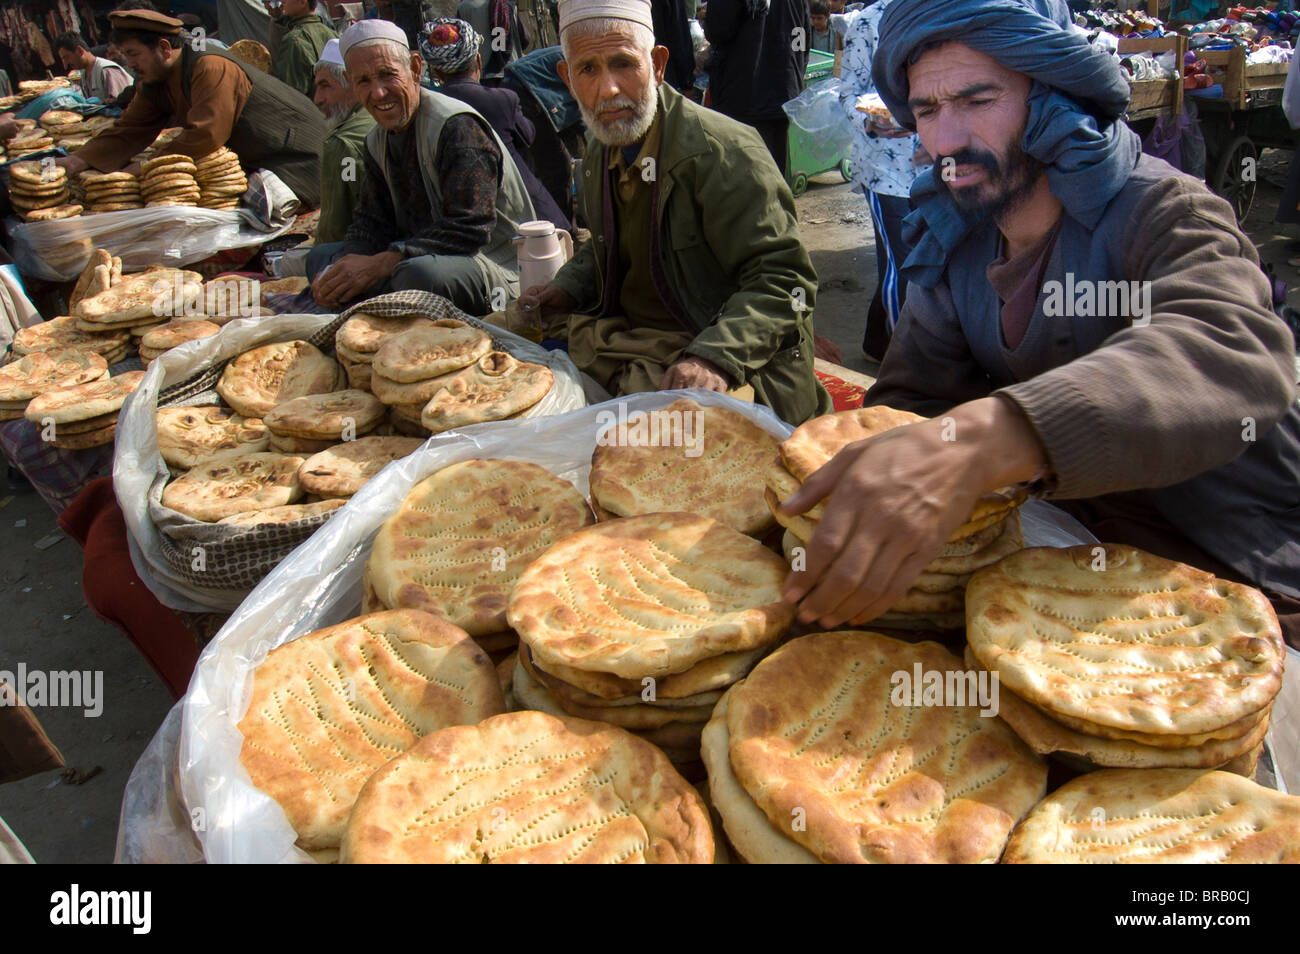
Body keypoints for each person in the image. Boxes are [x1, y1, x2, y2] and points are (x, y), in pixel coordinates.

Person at [780, 0, 1300, 650]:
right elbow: (911, 404)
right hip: (1057, 577)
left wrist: (990, 436)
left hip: (1235, 573)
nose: (944, 142)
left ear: (1050, 97)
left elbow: (1233, 352)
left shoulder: (1164, 211)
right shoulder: (955, 238)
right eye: (929, 110)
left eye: (977, 100)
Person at [517, 0, 831, 425]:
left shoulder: (722, 152)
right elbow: (610, 244)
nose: (608, 89)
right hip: (632, 338)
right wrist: (567, 287)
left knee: (650, 438)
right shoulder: (598, 150)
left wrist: (715, 357)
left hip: (719, 350)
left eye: (624, 63)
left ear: (658, 64)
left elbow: (785, 279)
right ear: (567, 80)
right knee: (510, 345)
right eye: (587, 69)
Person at [308, 19, 536, 312]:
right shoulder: (377, 139)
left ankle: (386, 299)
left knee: (418, 276)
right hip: (416, 253)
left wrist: (381, 263)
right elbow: (371, 220)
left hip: (491, 262)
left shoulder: (456, 127)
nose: (378, 93)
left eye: (387, 75)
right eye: (363, 81)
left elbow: (471, 229)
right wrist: (348, 265)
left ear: (415, 68)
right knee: (321, 261)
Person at [58, 9, 327, 207]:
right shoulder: (156, 81)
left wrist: (146, 168)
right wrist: (78, 160)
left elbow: (206, 134)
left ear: (163, 48)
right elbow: (130, 129)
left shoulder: (209, 66)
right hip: (259, 160)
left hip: (296, 161)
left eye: (133, 54)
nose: (129, 64)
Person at [837, 0, 926, 361]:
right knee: (901, 265)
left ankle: (877, 342)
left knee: (920, 260)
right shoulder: (869, 22)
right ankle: (904, 358)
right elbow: (848, 93)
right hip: (885, 171)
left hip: (935, 165)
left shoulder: (939, 17)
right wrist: (872, 123)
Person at [421, 17, 570, 228]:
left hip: (460, 217)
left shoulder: (427, 109)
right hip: (523, 211)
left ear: (436, 72)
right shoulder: (502, 99)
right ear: (479, 61)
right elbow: (528, 136)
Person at [702, 0, 808, 173]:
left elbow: (718, 30)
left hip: (742, 96)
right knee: (773, 175)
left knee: (742, 178)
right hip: (783, 93)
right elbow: (802, 36)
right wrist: (795, 71)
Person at [313, 37, 377, 243]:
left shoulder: (343, 144)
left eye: (325, 86)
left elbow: (334, 230)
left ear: (349, 81)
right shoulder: (384, 117)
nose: (318, 98)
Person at [269, 0, 338, 96]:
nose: (282, 1)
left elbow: (291, 95)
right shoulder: (333, 34)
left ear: (302, 2)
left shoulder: (294, 40)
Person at [54, 31, 134, 103]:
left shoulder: (107, 71)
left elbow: (122, 105)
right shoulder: (83, 74)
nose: (66, 63)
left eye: (66, 57)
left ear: (79, 51)